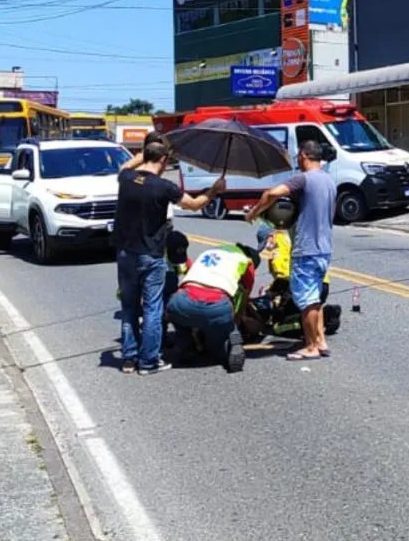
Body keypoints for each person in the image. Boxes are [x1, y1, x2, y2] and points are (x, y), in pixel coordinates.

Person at [115, 140, 225, 375]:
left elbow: (125, 166)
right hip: (150, 254)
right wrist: (214, 190)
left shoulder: (126, 178)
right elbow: (195, 205)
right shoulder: (164, 187)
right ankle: (148, 361)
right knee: (153, 308)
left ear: (145, 156)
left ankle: (128, 359)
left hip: (125, 253)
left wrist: (143, 154)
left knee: (129, 308)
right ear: (164, 161)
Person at [246, 140, 336, 360]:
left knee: (305, 301)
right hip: (324, 248)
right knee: (315, 298)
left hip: (306, 249)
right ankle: (321, 341)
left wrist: (254, 213)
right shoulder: (329, 180)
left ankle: (311, 346)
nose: (297, 160)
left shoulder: (303, 179)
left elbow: (271, 194)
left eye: (298, 156)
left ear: (304, 155)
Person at [166, 243, 259, 363]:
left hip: (182, 302)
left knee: (177, 314)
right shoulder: (246, 261)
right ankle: (231, 340)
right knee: (216, 349)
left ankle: (186, 346)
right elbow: (244, 296)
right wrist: (235, 322)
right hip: (216, 306)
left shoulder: (209, 252)